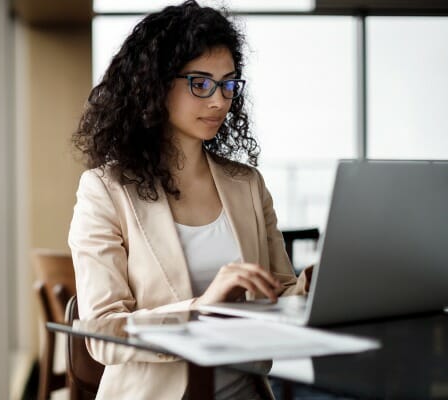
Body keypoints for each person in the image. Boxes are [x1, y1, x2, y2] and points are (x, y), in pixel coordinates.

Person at [68, 1, 310, 399]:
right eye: (201, 83)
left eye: (228, 84)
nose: (219, 101)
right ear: (155, 84)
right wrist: (202, 306)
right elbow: (104, 335)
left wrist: (313, 290)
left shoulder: (247, 185)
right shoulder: (105, 191)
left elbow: (280, 296)